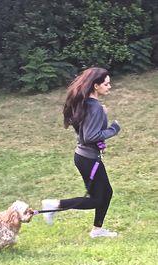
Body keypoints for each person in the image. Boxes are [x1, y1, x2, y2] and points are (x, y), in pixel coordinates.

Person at [42, 67, 121, 238]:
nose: (109, 87)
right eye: (106, 84)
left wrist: (103, 116)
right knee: (97, 199)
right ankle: (54, 205)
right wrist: (113, 129)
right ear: (95, 86)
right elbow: (90, 136)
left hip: (85, 157)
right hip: (88, 158)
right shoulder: (94, 107)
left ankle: (97, 229)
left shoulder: (87, 104)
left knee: (106, 193)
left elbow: (86, 132)